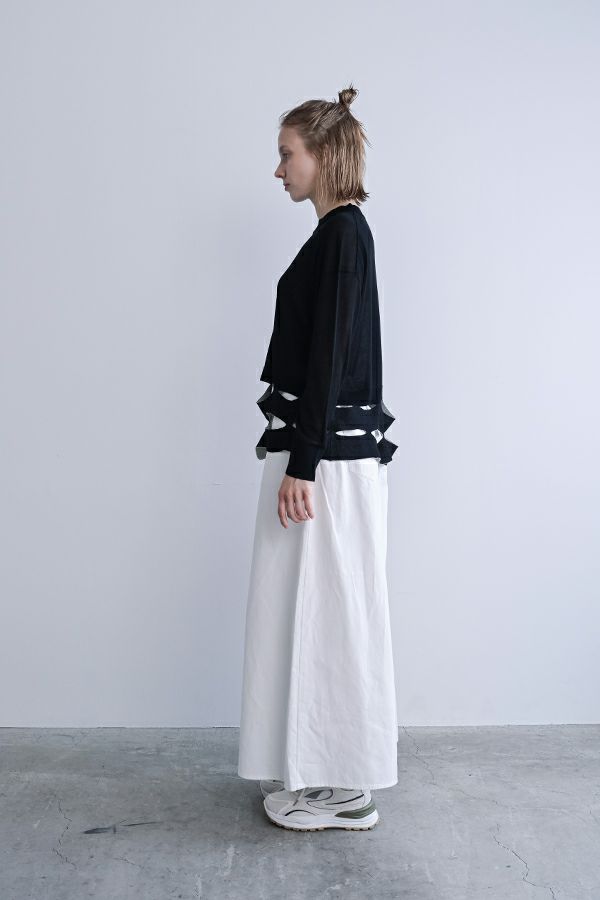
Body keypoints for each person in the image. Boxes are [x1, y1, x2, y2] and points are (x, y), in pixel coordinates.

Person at [237, 84, 399, 832]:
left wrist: (303, 464)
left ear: (323, 154)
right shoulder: (337, 234)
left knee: (333, 615)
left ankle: (347, 788)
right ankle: (320, 771)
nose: (279, 170)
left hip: (325, 461)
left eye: (287, 154)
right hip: (321, 453)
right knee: (314, 611)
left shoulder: (343, 235)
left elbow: (330, 355)